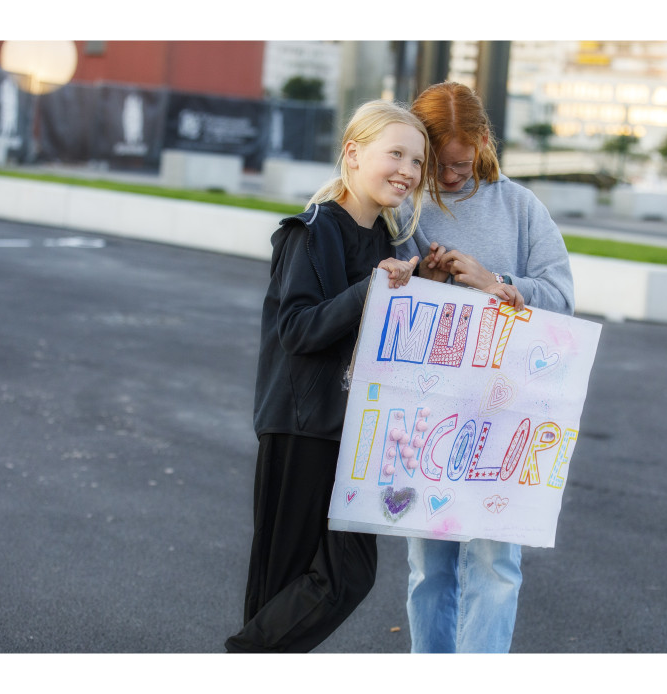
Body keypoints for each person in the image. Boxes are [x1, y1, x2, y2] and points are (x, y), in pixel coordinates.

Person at [224, 100, 433, 653]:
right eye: (396, 153)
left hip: (355, 431)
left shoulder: (390, 241)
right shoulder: (311, 232)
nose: (408, 171)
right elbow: (296, 330)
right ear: (353, 152)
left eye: (417, 160)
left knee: (349, 572)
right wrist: (371, 290)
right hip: (301, 426)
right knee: (283, 580)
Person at [396, 82, 575, 653]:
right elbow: (383, 301)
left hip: (506, 409)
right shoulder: (405, 205)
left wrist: (495, 283)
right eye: (438, 164)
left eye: (459, 162)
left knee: (496, 563)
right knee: (430, 565)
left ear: (480, 142)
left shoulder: (520, 206)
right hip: (430, 406)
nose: (450, 177)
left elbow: (563, 297)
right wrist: (424, 279)